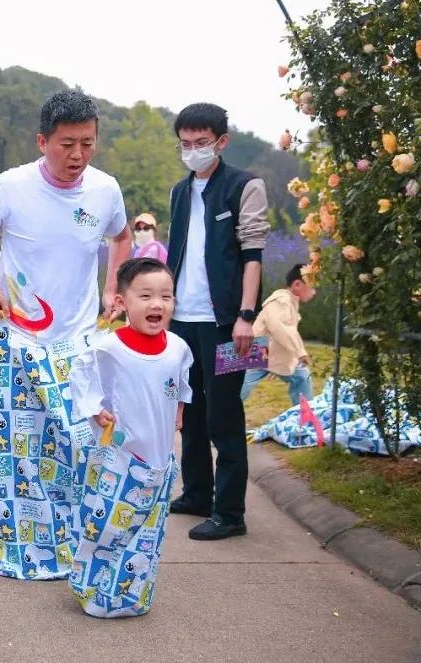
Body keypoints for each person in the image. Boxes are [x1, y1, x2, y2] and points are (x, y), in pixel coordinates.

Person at [0, 90, 132, 580]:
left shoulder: (105, 190)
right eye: (67, 144)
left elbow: (121, 237)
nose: (78, 155)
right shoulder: (12, 187)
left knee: (77, 443)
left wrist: (113, 284)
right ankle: (15, 542)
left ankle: (74, 540)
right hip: (17, 337)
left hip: (76, 342)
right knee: (17, 446)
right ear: (42, 141)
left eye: (88, 144)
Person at [166, 102, 270, 541]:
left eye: (201, 143)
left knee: (224, 414)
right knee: (190, 411)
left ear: (221, 142)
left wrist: (246, 316)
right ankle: (196, 493)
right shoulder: (180, 191)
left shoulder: (245, 186)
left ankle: (230, 513)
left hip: (228, 324)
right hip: (183, 321)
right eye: (185, 144)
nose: (192, 151)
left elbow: (252, 255)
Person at [68, 257, 193, 617]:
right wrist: (95, 409)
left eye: (166, 296)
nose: (158, 304)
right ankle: (91, 589)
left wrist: (180, 412)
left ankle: (131, 595)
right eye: (146, 296)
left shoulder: (178, 348)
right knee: (107, 524)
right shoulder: (108, 347)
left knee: (147, 533)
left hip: (158, 460)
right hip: (120, 458)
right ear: (122, 302)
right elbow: (82, 377)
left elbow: (181, 388)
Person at [240, 263, 316, 406]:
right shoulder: (281, 300)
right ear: (297, 284)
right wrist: (300, 352)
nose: (314, 292)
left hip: (271, 352)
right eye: (312, 287)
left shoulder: (289, 301)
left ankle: (306, 420)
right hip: (258, 349)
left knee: (302, 377)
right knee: (235, 388)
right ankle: (215, 418)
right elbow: (281, 328)